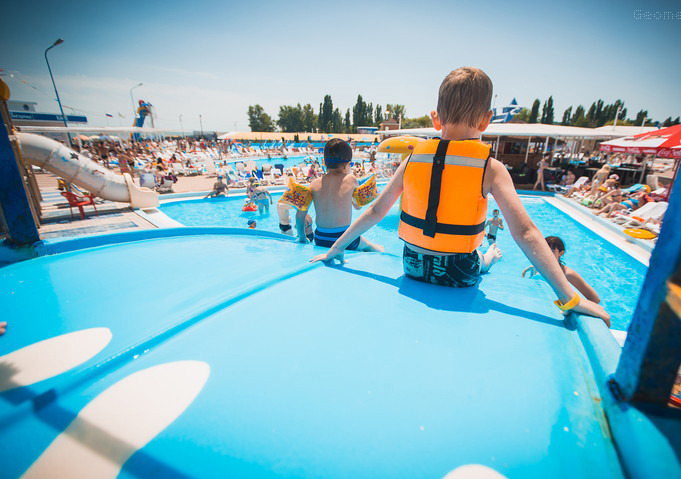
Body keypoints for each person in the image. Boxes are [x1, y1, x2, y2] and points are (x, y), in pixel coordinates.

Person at [310, 67, 608, 325]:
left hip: (412, 266)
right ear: (487, 120)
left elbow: (375, 212)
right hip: (460, 272)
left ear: (436, 118)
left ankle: (484, 257)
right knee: (485, 256)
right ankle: (489, 257)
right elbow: (526, 232)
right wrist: (570, 299)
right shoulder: (491, 168)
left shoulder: (413, 159)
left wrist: (333, 251)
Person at [295, 138, 383, 252]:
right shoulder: (351, 179)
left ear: (324, 162)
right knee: (375, 248)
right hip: (343, 238)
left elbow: (300, 214)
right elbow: (358, 207)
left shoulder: (314, 184)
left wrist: (302, 237)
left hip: (320, 238)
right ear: (347, 164)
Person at [522, 236, 600, 304]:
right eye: (545, 251)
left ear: (561, 253)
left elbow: (595, 299)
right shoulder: (539, 267)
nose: (547, 255)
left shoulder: (568, 274)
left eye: (552, 252)